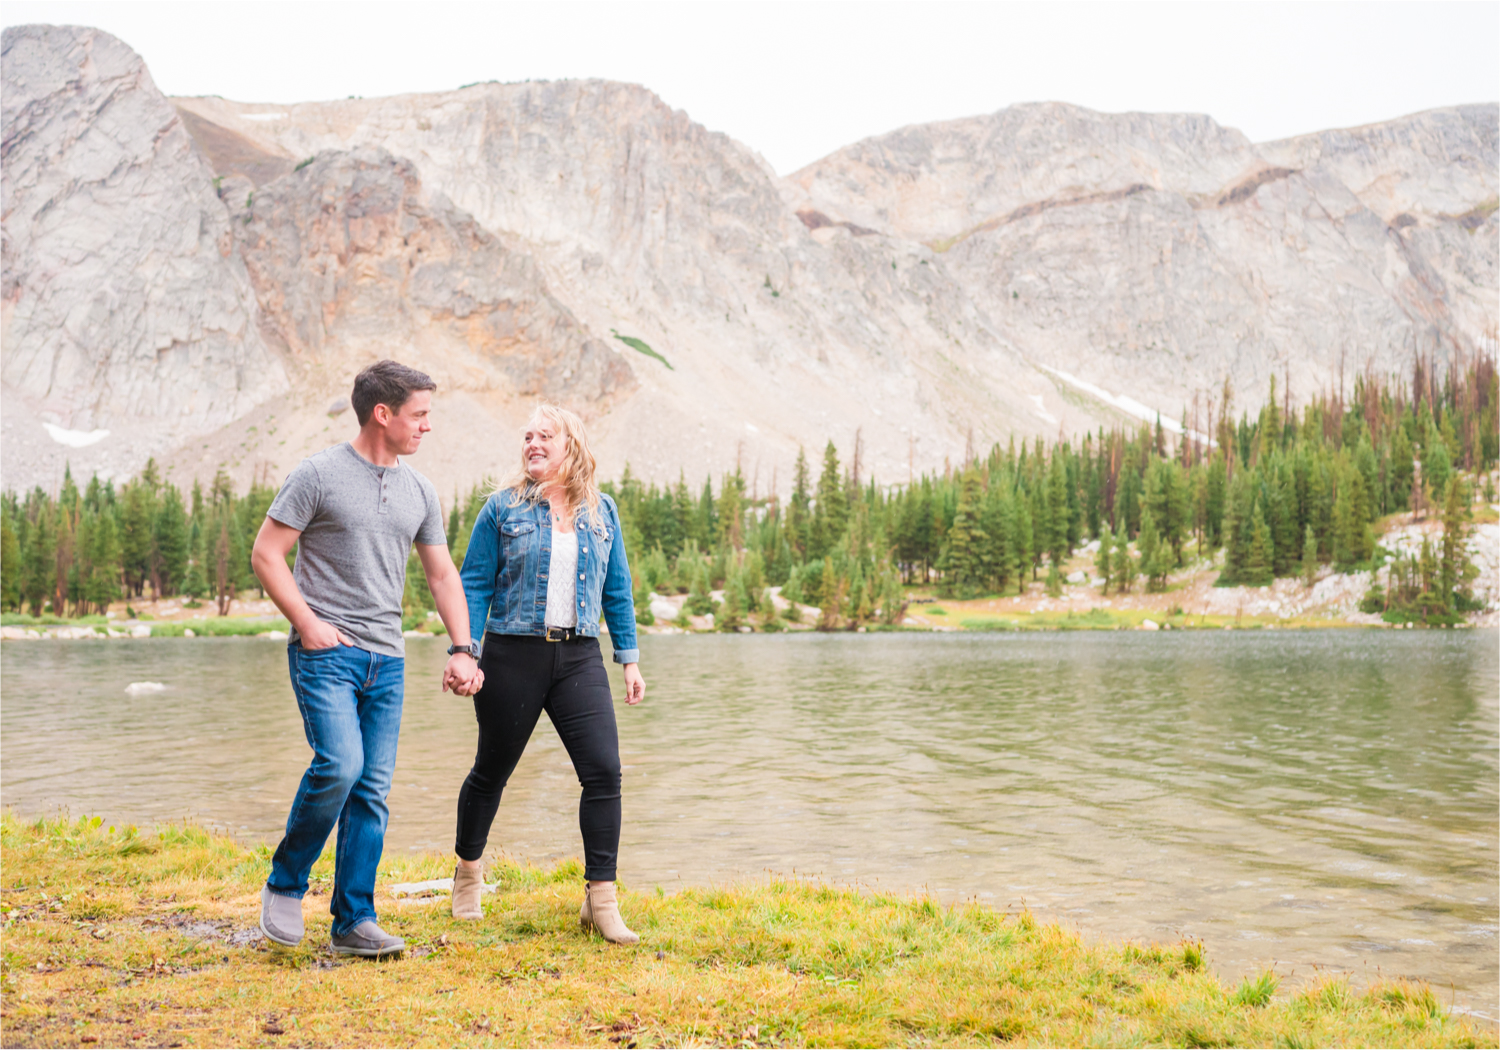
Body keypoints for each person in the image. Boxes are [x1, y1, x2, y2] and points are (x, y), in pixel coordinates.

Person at [250, 360, 484, 958]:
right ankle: (285, 882)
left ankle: (354, 920)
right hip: (327, 654)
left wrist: (463, 649)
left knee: (372, 790)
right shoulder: (318, 474)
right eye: (419, 414)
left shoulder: (420, 490)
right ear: (383, 414)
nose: (427, 426)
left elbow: (441, 574)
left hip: (389, 659)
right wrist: (308, 624)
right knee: (340, 766)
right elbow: (267, 553)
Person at [451, 403, 645, 943]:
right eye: (527, 436)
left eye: (545, 436)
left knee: (604, 771)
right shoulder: (501, 508)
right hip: (511, 654)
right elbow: (474, 584)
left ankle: (601, 899)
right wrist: (465, 651)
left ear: (571, 446)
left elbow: (617, 591)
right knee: (491, 772)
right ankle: (468, 875)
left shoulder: (602, 511)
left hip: (579, 655)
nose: (533, 444)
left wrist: (628, 659)